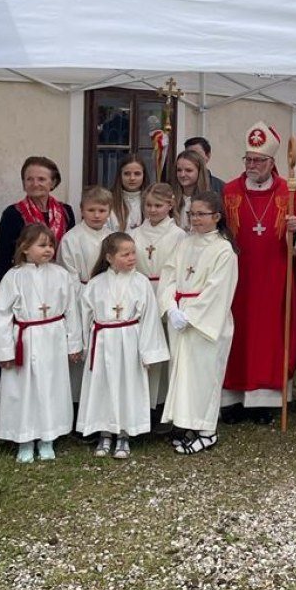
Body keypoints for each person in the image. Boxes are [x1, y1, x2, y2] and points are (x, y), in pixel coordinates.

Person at [221, 122, 296, 422]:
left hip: (274, 275)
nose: (252, 165)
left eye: (258, 160)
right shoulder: (230, 191)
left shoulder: (287, 191)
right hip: (239, 277)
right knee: (237, 334)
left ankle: (265, 402)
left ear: (272, 163)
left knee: (269, 337)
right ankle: (232, 398)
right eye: (248, 159)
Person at [0, 223, 83, 462]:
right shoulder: (14, 277)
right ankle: (25, 439)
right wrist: (4, 351)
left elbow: (71, 310)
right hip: (26, 341)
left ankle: (48, 437)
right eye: (42, 245)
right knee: (23, 390)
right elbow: (1, 315)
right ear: (25, 248)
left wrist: (74, 345)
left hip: (53, 338)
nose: (48, 249)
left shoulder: (61, 275)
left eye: (51, 245)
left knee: (52, 387)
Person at [159, 190, 238, 454]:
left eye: (202, 214)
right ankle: (188, 424)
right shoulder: (184, 243)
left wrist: (190, 316)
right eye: (192, 214)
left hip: (204, 322)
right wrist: (170, 308)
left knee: (205, 376)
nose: (195, 219)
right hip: (179, 316)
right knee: (184, 375)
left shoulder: (223, 250)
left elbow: (219, 291)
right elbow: (169, 275)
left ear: (216, 217)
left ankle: (208, 430)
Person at [77, 232, 168, 458]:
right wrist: (83, 346)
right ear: (109, 257)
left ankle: (125, 434)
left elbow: (149, 319)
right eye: (125, 254)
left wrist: (148, 353)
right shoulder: (95, 284)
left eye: (132, 253)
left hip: (130, 342)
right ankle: (105, 432)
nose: (131, 258)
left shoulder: (141, 283)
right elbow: (84, 317)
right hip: (104, 341)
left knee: (128, 386)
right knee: (103, 386)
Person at [132, 183, 186, 411]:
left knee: (168, 349)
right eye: (148, 205)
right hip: (141, 292)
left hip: (167, 292)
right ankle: (143, 404)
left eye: (158, 205)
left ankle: (165, 404)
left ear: (170, 205)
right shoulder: (134, 233)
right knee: (145, 347)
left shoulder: (179, 235)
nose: (152, 210)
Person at [57, 185, 113, 399]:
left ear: (109, 211)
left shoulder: (114, 236)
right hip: (81, 297)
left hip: (109, 299)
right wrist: (85, 296)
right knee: (82, 351)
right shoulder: (72, 238)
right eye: (91, 210)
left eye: (102, 210)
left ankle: (101, 400)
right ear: (82, 210)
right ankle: (78, 401)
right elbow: (68, 275)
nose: (97, 215)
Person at [0, 156, 75, 285]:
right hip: (26, 283)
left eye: (41, 179)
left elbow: (71, 251)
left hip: (60, 281)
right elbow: (2, 258)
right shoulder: (12, 213)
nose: (35, 184)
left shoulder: (66, 211)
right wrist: (6, 289)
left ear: (53, 182)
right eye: (29, 179)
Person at [171, 148, 210, 232]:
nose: (182, 174)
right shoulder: (170, 198)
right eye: (179, 170)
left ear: (199, 172)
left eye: (188, 170)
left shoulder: (209, 201)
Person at [109, 154, 149, 232]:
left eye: (137, 174)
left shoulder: (152, 201)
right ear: (120, 175)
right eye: (127, 174)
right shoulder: (108, 200)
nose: (132, 178)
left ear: (144, 175)